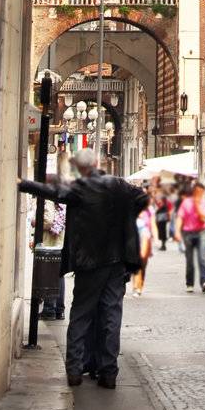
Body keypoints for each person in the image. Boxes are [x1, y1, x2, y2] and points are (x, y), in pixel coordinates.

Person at [19, 149, 146, 390]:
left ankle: (75, 370)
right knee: (111, 316)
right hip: (117, 261)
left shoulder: (80, 188)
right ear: (97, 164)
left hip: (89, 262)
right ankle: (109, 372)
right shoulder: (120, 186)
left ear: (80, 167)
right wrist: (125, 220)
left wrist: (23, 183)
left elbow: (51, 191)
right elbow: (143, 199)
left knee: (81, 315)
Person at [175, 180, 205, 292]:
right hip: (188, 233)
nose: (199, 194)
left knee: (201, 258)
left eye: (201, 192)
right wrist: (177, 231)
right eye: (197, 192)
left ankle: (204, 281)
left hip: (201, 232)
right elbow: (180, 218)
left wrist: (197, 205)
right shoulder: (186, 202)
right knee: (190, 260)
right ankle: (189, 283)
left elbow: (204, 217)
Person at [133, 202, 154, 294]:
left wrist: (155, 237)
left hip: (146, 239)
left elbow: (153, 224)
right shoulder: (131, 211)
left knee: (143, 264)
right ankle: (135, 286)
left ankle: (140, 283)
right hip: (133, 242)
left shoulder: (149, 210)